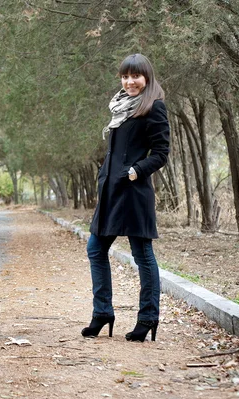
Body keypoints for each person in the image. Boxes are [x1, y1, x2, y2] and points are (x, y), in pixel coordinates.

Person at [81, 53, 170, 342]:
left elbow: (160, 153)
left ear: (147, 78)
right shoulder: (120, 107)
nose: (130, 81)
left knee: (142, 255)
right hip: (110, 192)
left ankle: (147, 318)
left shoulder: (154, 107)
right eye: (125, 76)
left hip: (133, 193)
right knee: (95, 249)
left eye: (135, 76)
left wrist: (134, 171)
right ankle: (102, 312)